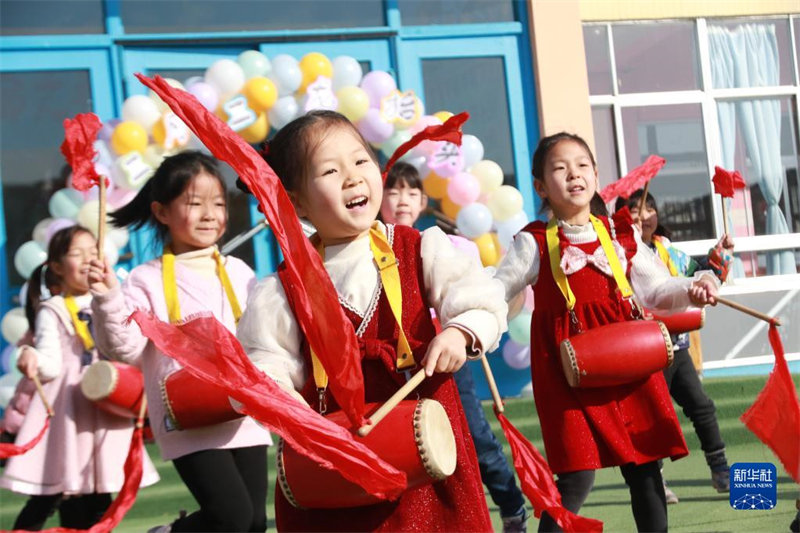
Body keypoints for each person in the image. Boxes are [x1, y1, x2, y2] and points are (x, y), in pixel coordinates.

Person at [237, 110, 507, 532]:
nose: (352, 177)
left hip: (425, 455)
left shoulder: (418, 248)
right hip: (338, 461)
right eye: (329, 170)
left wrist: (460, 331)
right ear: (296, 202)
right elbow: (265, 366)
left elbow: (480, 298)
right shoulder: (282, 291)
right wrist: (282, 404)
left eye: (360, 161)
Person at [494, 132, 719, 532]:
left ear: (595, 175)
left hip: (627, 363)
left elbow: (657, 290)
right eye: (560, 168)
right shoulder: (532, 243)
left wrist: (693, 287)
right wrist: (466, 322)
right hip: (568, 371)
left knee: (645, 467)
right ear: (541, 186)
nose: (573, 175)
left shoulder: (618, 236)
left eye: (582, 165)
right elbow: (498, 289)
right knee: (576, 477)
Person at [88, 151, 271, 533]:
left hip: (242, 412)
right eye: (194, 203)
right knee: (232, 518)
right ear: (161, 212)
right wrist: (107, 297)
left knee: (253, 523)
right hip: (187, 416)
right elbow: (124, 348)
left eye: (218, 203)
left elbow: (262, 338)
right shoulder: (144, 279)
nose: (210, 214)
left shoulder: (239, 272)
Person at [380, 161, 528, 532]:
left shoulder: (444, 245)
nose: (402, 200)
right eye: (394, 191)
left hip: (445, 360)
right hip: (395, 368)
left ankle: (511, 506)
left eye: (411, 192)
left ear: (424, 201)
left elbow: (473, 298)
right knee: (410, 449)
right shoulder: (368, 250)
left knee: (473, 439)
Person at [0, 225, 159, 530]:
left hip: (107, 408)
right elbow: (50, 362)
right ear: (57, 267)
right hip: (71, 414)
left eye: (93, 251)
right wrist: (32, 358)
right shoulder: (53, 309)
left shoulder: (113, 299)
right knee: (60, 491)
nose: (88, 259)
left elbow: (129, 347)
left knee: (100, 491)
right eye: (77, 253)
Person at [616, 190, 732, 502]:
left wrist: (719, 257)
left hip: (676, 345)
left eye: (649, 208)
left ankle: (721, 470)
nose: (644, 215)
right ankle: (657, 482)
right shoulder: (620, 255)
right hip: (645, 348)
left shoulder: (667, 251)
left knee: (701, 406)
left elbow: (698, 276)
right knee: (651, 416)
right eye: (635, 211)